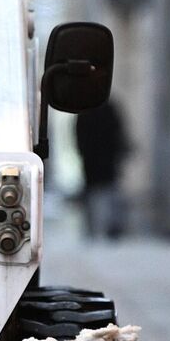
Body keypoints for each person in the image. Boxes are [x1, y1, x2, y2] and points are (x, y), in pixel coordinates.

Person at [73, 101, 131, 240]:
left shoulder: (86, 111)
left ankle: (96, 228)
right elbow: (119, 135)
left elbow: (78, 138)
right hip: (103, 162)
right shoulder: (108, 109)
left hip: (95, 162)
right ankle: (107, 228)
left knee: (99, 194)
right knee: (105, 194)